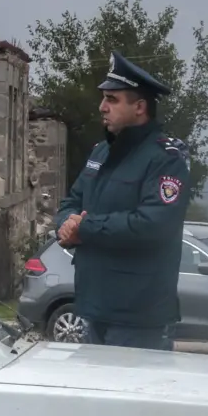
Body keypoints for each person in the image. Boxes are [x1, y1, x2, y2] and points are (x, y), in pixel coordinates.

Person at [54, 51, 192, 351]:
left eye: (112, 100)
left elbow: (153, 225)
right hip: (93, 307)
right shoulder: (101, 152)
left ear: (139, 107)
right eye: (104, 98)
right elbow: (71, 202)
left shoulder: (165, 159)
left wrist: (85, 228)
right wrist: (65, 224)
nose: (102, 107)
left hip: (139, 317)